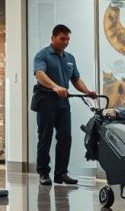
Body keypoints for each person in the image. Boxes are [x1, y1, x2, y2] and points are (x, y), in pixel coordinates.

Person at [30, 24, 97, 186]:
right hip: (46, 101)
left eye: (68, 39)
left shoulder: (70, 58)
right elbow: (40, 74)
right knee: (45, 138)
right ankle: (43, 173)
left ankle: (61, 173)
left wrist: (87, 91)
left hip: (63, 103)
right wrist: (55, 86)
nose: (65, 42)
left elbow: (75, 79)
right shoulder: (42, 55)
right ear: (53, 38)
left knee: (65, 138)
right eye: (62, 39)